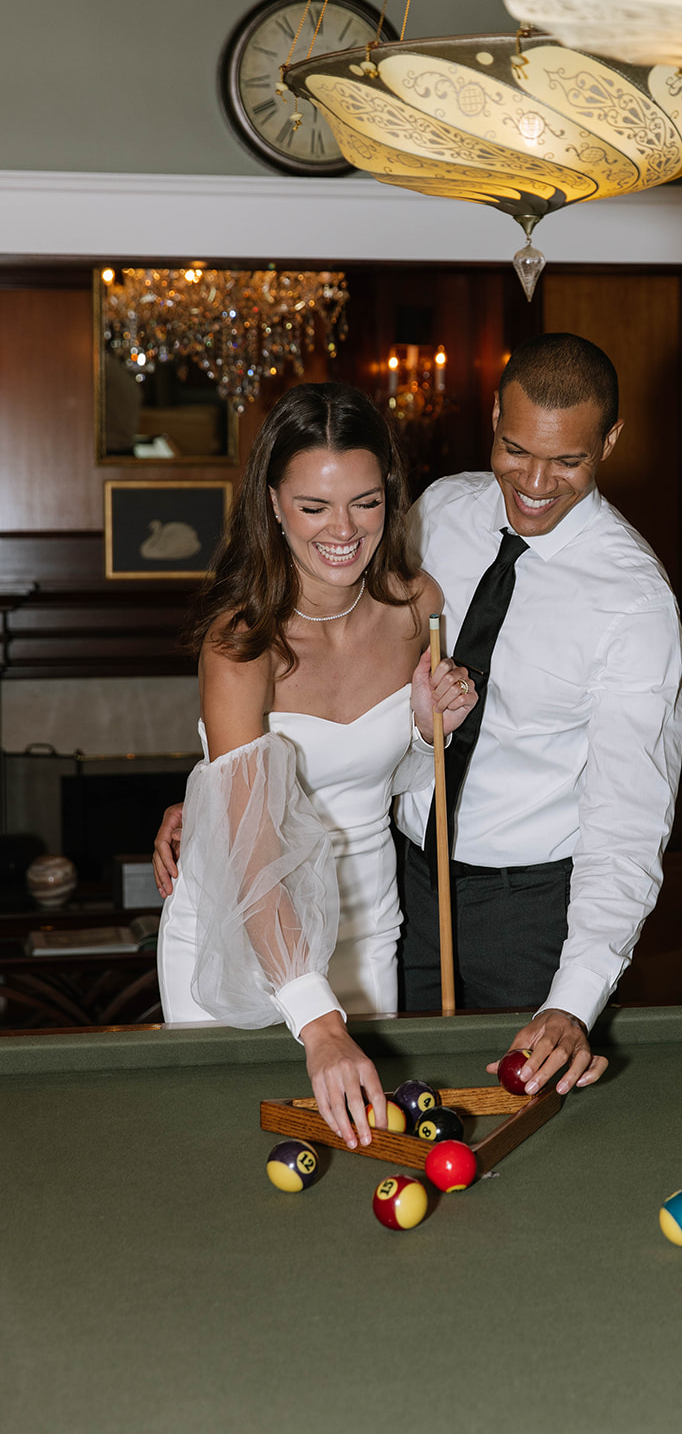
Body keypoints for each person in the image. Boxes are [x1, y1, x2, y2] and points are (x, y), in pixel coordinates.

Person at [153, 383, 476, 1152]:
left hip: (365, 922)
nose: (344, 531)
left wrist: (431, 731)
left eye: (364, 503)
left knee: (371, 1149)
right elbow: (255, 843)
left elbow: (399, 784)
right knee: (227, 1158)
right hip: (236, 921)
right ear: (271, 502)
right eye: (314, 507)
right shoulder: (241, 641)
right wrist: (318, 1022)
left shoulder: (415, 607)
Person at [394, 332, 682, 1096]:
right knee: (398, 1116)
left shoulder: (636, 602)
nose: (535, 482)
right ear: (493, 415)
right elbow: (345, 672)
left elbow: (628, 818)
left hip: (526, 917)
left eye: (568, 461)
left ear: (610, 441)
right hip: (398, 885)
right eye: (515, 449)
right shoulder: (437, 513)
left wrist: (571, 999)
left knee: (518, 1137)